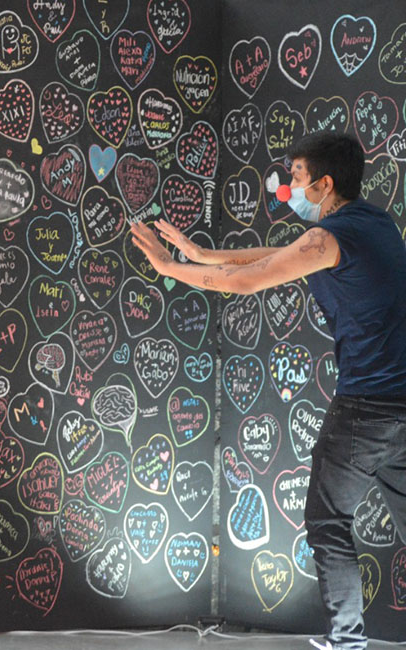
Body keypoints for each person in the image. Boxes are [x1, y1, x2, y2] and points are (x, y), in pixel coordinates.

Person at [130, 132, 406, 650]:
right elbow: (273, 256)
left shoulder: (329, 238)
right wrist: (201, 252)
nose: (289, 188)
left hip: (367, 405)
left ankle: (346, 640)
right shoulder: (373, 224)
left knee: (326, 520)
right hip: (402, 405)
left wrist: (171, 268)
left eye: (297, 178)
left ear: (325, 184)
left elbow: (250, 282)